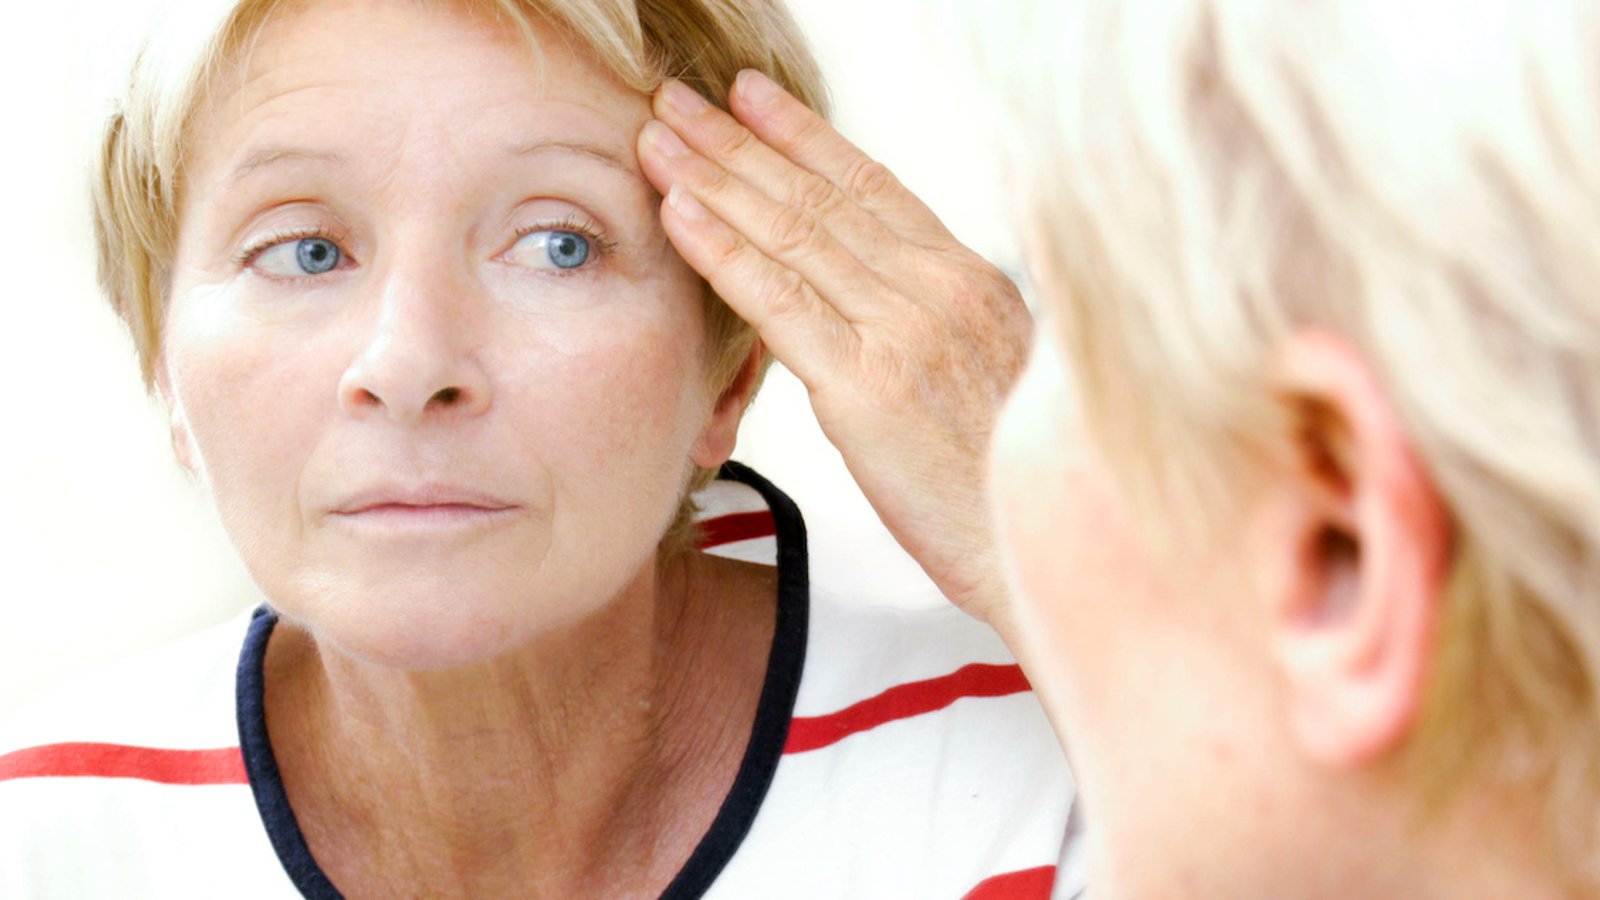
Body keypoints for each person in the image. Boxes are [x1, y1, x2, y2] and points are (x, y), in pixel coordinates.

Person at [0, 0, 1073, 896]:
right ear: (163, 369)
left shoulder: (1068, 758)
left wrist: (1070, 566)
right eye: (306, 251)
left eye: (561, 246)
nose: (409, 361)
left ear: (730, 371)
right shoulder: (40, 842)